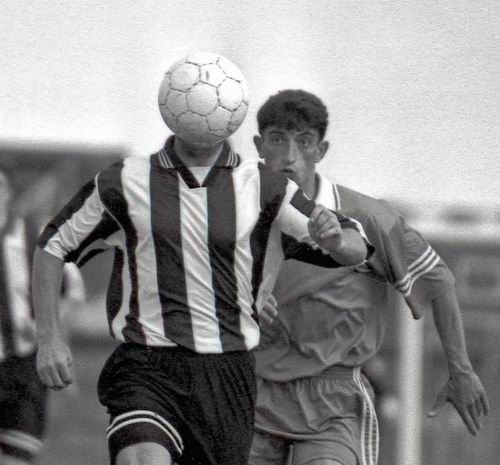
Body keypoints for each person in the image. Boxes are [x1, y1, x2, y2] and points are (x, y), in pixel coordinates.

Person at [32, 79, 371, 465]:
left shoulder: (266, 187)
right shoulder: (123, 181)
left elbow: (355, 245)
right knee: (142, 457)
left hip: (227, 373)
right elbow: (53, 245)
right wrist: (49, 338)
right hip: (146, 364)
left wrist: (336, 240)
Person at [249, 89, 489, 465]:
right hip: (253, 392)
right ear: (259, 146)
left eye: (304, 141)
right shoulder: (236, 214)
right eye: (278, 139)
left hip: (333, 402)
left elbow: (438, 282)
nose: (290, 155)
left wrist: (461, 370)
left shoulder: (368, 217)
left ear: (321, 150)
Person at [0, 171, 85, 465]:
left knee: (17, 457)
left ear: (7, 193)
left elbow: (71, 292)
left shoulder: (34, 238)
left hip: (22, 370)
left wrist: (48, 330)